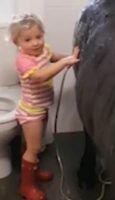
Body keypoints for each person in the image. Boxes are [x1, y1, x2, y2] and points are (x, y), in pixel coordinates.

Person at [8, 13, 79, 200]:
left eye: (39, 37)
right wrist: (65, 63)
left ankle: (33, 171)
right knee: (34, 147)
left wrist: (69, 57)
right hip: (31, 111)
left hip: (41, 107)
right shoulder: (23, 61)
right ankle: (26, 185)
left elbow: (53, 57)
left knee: (34, 145)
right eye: (28, 39)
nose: (35, 43)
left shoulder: (43, 50)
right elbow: (41, 76)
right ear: (18, 43)